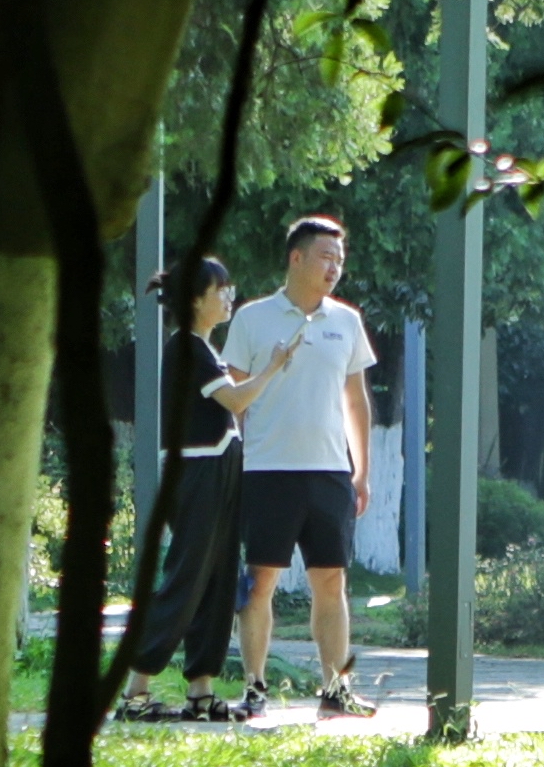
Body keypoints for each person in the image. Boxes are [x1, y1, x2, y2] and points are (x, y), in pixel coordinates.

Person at [117, 257, 301, 722]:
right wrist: (274, 366)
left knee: (219, 581)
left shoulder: (203, 349)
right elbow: (236, 400)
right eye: (218, 289)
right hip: (199, 472)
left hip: (220, 469)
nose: (228, 295)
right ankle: (135, 693)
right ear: (194, 299)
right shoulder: (187, 348)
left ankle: (201, 691)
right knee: (186, 577)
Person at [224, 214, 381, 719]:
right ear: (296, 257)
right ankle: (254, 687)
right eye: (325, 256)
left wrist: (361, 471)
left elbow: (357, 402)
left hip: (330, 472)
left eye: (340, 258)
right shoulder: (252, 318)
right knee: (261, 579)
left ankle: (336, 690)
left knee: (331, 581)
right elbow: (233, 398)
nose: (334, 267)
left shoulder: (346, 321)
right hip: (268, 470)